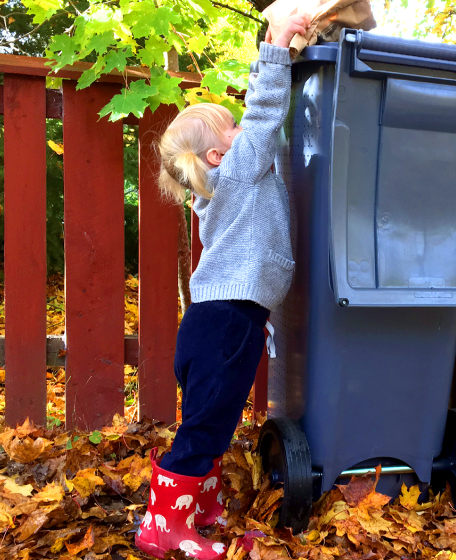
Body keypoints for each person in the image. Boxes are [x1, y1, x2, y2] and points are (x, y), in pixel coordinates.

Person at [135, 14, 311, 560]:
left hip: (220, 324)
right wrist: (276, 44)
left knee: (213, 422)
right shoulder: (237, 174)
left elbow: (255, 129)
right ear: (218, 156)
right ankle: (162, 526)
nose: (245, 131)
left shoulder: (223, 189)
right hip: (225, 323)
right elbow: (265, 114)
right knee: (203, 431)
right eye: (232, 129)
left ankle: (201, 512)